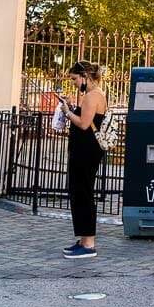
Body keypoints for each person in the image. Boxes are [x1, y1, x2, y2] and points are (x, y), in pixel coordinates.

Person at [57, 60, 108, 259]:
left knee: (82, 193)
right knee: (81, 192)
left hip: (86, 151)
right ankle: (83, 239)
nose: (74, 83)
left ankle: (88, 243)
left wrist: (67, 112)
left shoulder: (92, 96)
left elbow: (84, 124)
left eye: (75, 79)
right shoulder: (96, 94)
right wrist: (71, 107)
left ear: (85, 76)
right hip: (87, 150)